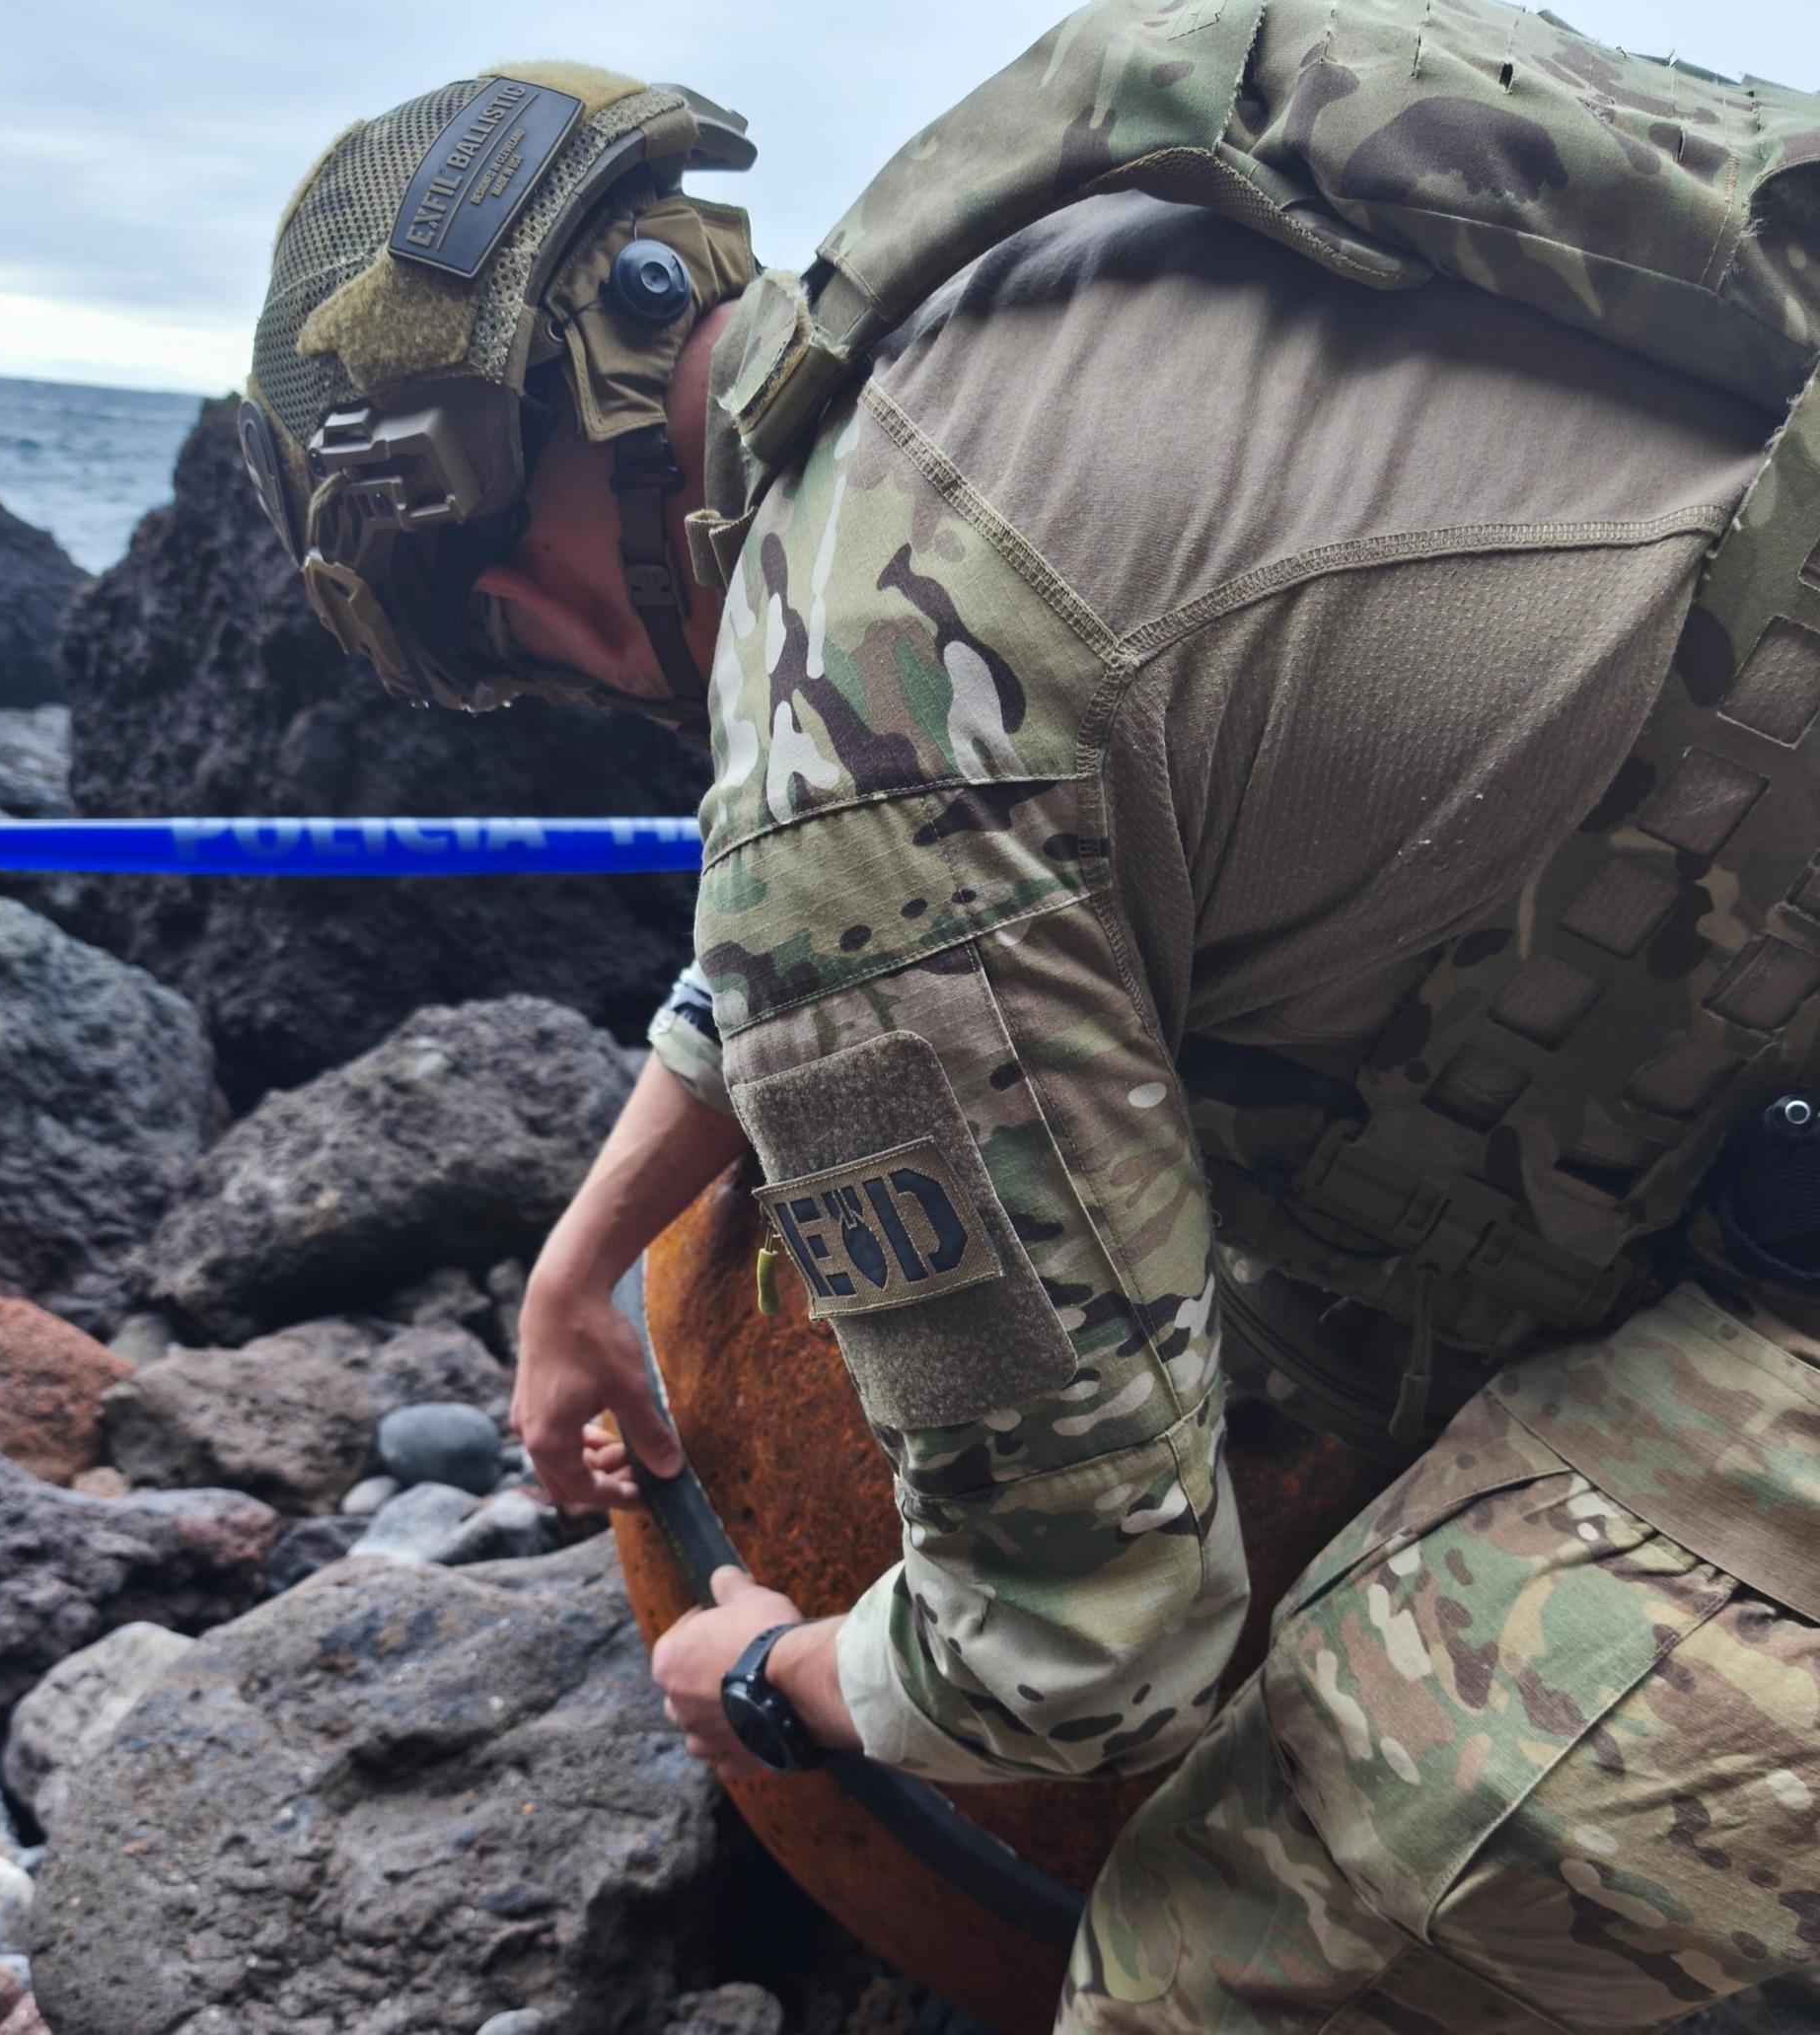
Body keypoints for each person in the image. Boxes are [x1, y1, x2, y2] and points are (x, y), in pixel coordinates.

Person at [239, 16, 1820, 2028]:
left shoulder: (847, 744)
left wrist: (771, 1678)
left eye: (489, 638)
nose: (546, 671)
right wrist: (586, 1265)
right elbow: (962, 847)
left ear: (488, 543)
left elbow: (1084, 1654)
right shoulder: (1048, 255)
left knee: (1213, 1971)